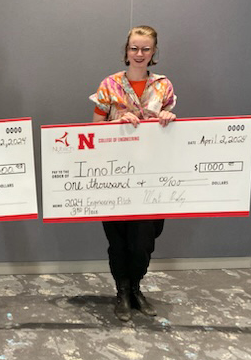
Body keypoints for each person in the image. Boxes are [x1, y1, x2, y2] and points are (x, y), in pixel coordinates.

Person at [89, 25, 177, 321]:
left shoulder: (164, 85)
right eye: (134, 48)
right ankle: (124, 291)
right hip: (114, 173)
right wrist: (116, 123)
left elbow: (173, 133)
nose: (139, 54)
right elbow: (94, 128)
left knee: (145, 240)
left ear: (154, 53)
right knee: (118, 238)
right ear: (126, 51)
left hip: (152, 174)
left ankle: (137, 285)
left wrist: (170, 118)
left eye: (145, 49)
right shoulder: (109, 85)